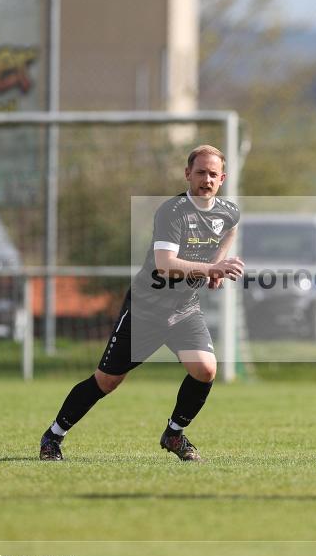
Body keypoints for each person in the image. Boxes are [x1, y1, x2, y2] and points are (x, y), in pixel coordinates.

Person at [39, 144, 244, 462]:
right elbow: (165, 264)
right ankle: (53, 437)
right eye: (200, 172)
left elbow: (231, 227)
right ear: (188, 173)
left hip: (184, 310)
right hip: (146, 310)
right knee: (106, 382)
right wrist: (213, 269)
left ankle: (174, 434)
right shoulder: (172, 212)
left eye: (213, 174)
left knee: (205, 369)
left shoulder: (227, 211)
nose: (206, 179)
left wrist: (217, 264)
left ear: (222, 179)